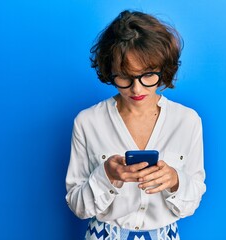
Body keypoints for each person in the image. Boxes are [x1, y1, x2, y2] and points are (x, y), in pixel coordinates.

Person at [65, 10, 206, 240]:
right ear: (110, 71)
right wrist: (106, 175)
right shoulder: (87, 122)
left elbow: (192, 202)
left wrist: (174, 180)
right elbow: (78, 206)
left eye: (148, 75)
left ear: (163, 69)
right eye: (124, 76)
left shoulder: (187, 121)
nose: (136, 89)